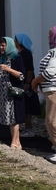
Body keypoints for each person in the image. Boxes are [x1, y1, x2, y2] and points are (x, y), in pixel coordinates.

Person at [31, 26, 56, 162]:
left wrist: (35, 82)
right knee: (51, 120)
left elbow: (49, 72)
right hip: (50, 91)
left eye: (50, 35)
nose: (48, 38)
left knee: (51, 121)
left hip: (54, 91)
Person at [0, 37, 26, 149]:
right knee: (9, 118)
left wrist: (9, 69)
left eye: (3, 45)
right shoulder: (1, 58)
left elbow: (21, 75)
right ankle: (17, 142)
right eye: (0, 45)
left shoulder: (17, 58)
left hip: (13, 92)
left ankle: (14, 142)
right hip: (4, 93)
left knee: (14, 117)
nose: (1, 48)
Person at [14, 33, 40, 138]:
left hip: (26, 83)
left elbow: (30, 69)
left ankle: (29, 129)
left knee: (27, 106)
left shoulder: (25, 54)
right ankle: (26, 128)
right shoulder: (21, 53)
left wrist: (27, 83)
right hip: (23, 82)